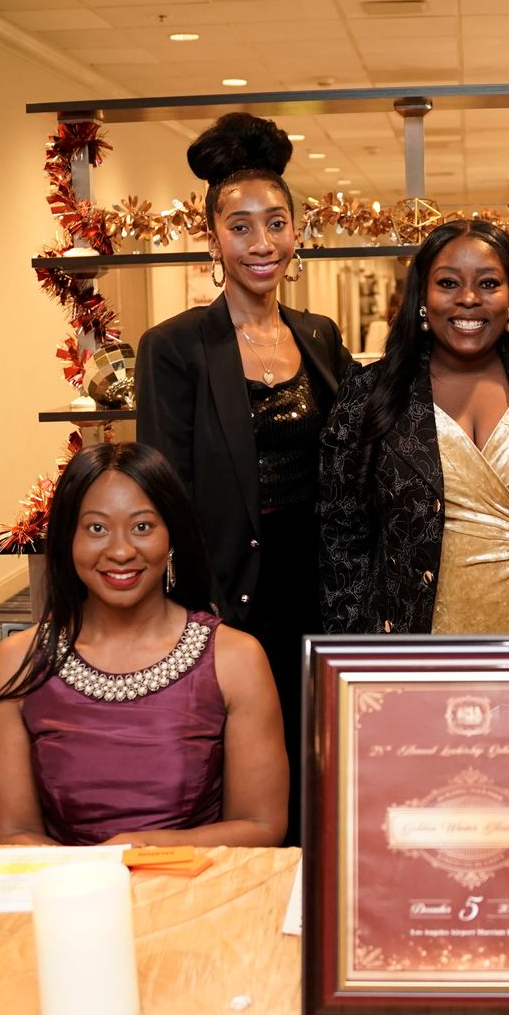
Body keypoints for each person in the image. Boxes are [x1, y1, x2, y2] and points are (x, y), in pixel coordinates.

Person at [136, 112, 350, 845]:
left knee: (320, 763)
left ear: (298, 231)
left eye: (276, 223)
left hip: (318, 585)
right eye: (241, 226)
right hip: (229, 589)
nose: (262, 244)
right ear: (213, 240)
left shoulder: (318, 334)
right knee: (240, 773)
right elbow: (164, 488)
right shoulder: (175, 347)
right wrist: (194, 606)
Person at [318, 219, 509, 635]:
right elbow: (341, 538)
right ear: (422, 295)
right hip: (408, 654)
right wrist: (353, 661)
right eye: (447, 283)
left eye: (487, 284)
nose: (467, 299)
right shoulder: (369, 394)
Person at [0, 442, 288, 848]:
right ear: (67, 540)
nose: (121, 551)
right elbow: (12, 834)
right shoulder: (18, 661)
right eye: (96, 529)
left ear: (171, 535)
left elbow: (261, 825)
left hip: (199, 895)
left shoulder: (236, 658)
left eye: (142, 526)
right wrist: (94, 881)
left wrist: (141, 851)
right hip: (72, 899)